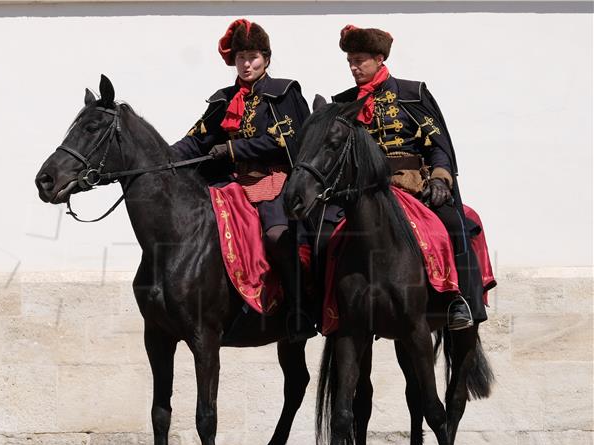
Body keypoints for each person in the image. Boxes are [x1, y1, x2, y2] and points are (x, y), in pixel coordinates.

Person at [332, 24, 486, 330]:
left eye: (359, 60)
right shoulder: (344, 102)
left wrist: (441, 179)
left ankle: (461, 301)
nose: (353, 67)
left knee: (455, 224)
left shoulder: (412, 94)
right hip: (366, 192)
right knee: (327, 239)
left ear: (379, 59)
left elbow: (439, 145)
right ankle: (328, 308)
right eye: (350, 60)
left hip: (414, 185)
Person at [171, 19, 315, 341]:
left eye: (252, 57)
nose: (246, 64)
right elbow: (197, 139)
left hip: (272, 182)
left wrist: (233, 148)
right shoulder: (224, 99)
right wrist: (163, 157)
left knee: (278, 238)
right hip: (231, 186)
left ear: (266, 58)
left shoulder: (283, 93)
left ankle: (300, 308)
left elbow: (285, 141)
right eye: (240, 58)